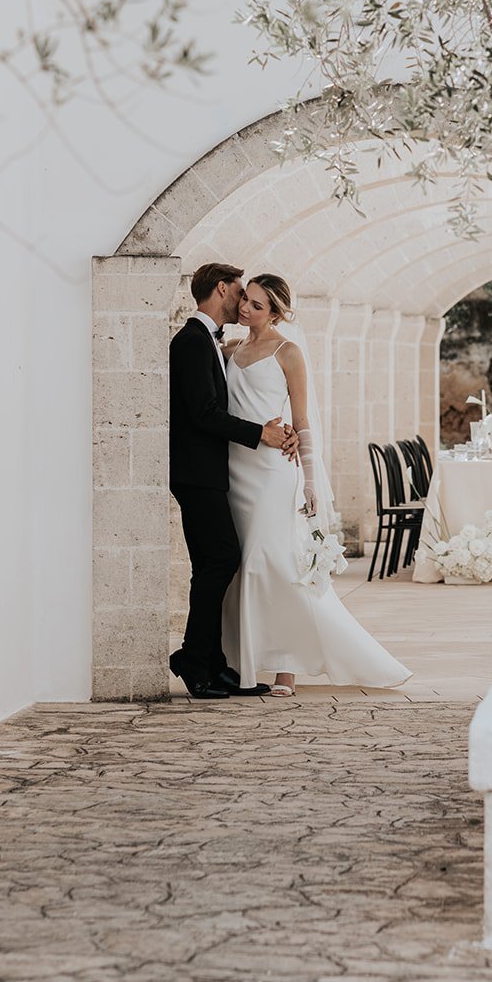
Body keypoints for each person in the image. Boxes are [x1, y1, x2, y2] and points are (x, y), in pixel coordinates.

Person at [221, 273, 410, 696]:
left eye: (256, 305)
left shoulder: (289, 353)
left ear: (275, 313)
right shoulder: (229, 349)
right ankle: (241, 662)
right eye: (245, 301)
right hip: (235, 470)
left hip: (272, 473)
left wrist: (309, 479)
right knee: (240, 567)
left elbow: (302, 421)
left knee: (271, 563)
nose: (245, 309)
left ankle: (285, 668)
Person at [167, 262, 298, 700]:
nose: (242, 303)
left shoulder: (211, 342)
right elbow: (204, 413)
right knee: (222, 560)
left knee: (213, 563)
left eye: (252, 300)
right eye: (239, 293)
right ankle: (193, 658)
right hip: (198, 474)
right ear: (220, 289)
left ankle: (215, 664)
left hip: (215, 473)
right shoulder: (190, 341)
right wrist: (261, 433)